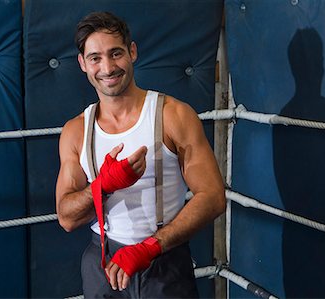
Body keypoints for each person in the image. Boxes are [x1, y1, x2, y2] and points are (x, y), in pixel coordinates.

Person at [55, 11, 226, 298]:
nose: (107, 67)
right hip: (103, 262)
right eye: (95, 58)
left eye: (116, 53)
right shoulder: (76, 131)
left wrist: (151, 246)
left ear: (132, 52)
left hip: (164, 259)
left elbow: (212, 196)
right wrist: (103, 186)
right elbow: (67, 218)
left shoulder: (172, 115)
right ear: (83, 64)